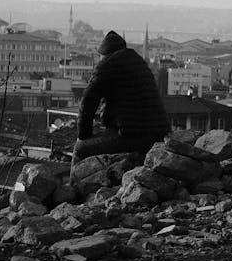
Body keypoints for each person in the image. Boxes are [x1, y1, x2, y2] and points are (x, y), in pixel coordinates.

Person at [72, 30, 170, 162]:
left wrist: (83, 135)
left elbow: (88, 102)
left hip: (132, 136)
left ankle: (75, 182)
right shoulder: (139, 63)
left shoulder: (108, 65)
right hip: (159, 135)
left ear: (103, 53)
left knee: (80, 148)